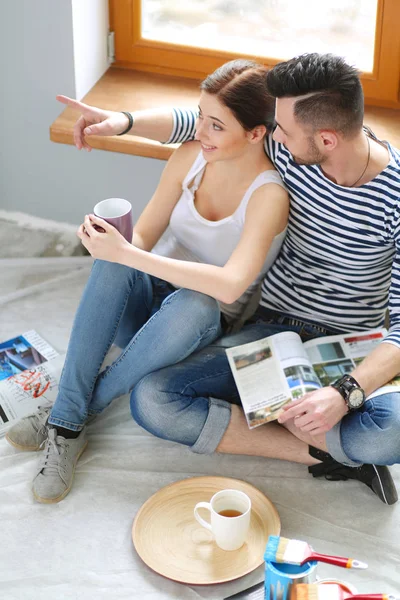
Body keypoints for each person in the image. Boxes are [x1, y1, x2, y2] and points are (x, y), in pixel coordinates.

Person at [39, 51, 400, 506]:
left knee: (393, 431)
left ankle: (325, 440)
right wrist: (122, 121)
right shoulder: (289, 147)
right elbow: (201, 121)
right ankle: (322, 451)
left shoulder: (390, 196)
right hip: (272, 329)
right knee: (152, 399)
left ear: (326, 139)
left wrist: (345, 394)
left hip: (352, 344)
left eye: (282, 129)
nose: (274, 135)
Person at [6, 60, 289, 503]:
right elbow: (143, 237)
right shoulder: (191, 156)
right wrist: (111, 245)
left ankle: (68, 417)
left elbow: (230, 286)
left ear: (256, 134)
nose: (201, 131)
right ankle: (69, 418)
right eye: (199, 117)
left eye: (216, 125)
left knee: (193, 301)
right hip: (146, 303)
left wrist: (131, 254)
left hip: (197, 325)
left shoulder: (269, 195)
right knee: (116, 248)